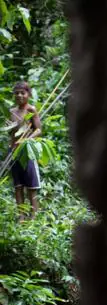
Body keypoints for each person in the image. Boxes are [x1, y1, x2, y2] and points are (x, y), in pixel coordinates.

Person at [7, 81, 42, 220]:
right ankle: (21, 216)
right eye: (17, 93)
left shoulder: (31, 110)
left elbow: (39, 130)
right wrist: (10, 128)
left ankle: (33, 216)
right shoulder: (11, 112)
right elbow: (11, 134)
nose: (20, 95)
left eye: (23, 93)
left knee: (31, 186)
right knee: (18, 185)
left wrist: (28, 139)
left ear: (28, 94)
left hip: (28, 151)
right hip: (14, 151)